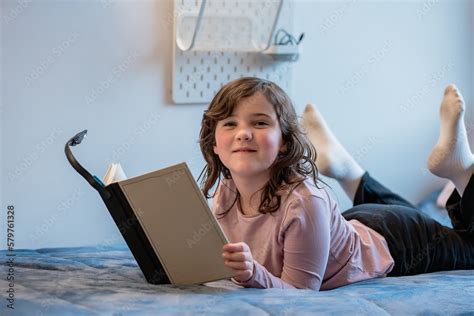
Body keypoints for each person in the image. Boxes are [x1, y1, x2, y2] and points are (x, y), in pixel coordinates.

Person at [198, 77, 474, 290]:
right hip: (362, 223)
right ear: (215, 144)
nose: (243, 133)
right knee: (409, 212)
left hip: (400, 241)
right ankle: (345, 169)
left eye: (259, 123)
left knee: (469, 245)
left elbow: (302, 293)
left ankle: (460, 171)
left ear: (283, 143)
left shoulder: (305, 202)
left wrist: (253, 274)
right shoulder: (226, 192)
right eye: (230, 123)